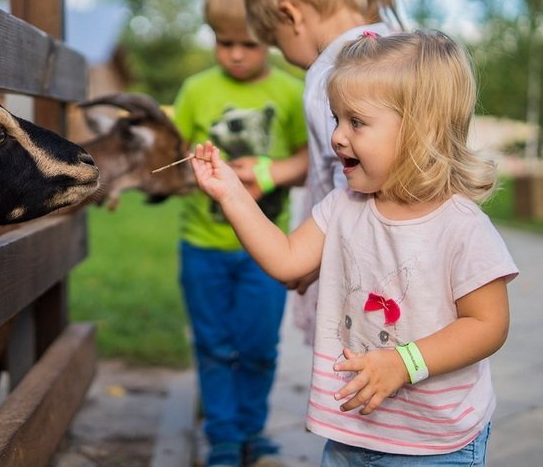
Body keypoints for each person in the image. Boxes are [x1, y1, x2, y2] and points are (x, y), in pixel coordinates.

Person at [190, 30, 518, 466]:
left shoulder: (461, 227)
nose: (337, 137)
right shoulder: (344, 205)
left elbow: (488, 324)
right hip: (351, 433)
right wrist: (232, 195)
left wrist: (405, 363)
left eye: (356, 122)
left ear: (420, 130)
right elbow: (287, 261)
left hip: (434, 444)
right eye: (336, 119)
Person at [172, 0, 308, 467]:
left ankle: (254, 430)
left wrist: (267, 174)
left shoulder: (293, 92)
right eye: (222, 41)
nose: (234, 53)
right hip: (202, 246)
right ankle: (224, 436)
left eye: (248, 44)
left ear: (270, 36)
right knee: (212, 344)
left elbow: (310, 160)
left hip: (266, 252)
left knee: (258, 346)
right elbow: (177, 156)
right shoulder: (195, 90)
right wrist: (204, 172)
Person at [244, 0, 402, 344]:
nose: (285, 55)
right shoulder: (402, 47)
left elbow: (346, 188)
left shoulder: (330, 74)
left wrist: (312, 260)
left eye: (277, 41)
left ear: (292, 15)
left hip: (351, 264)